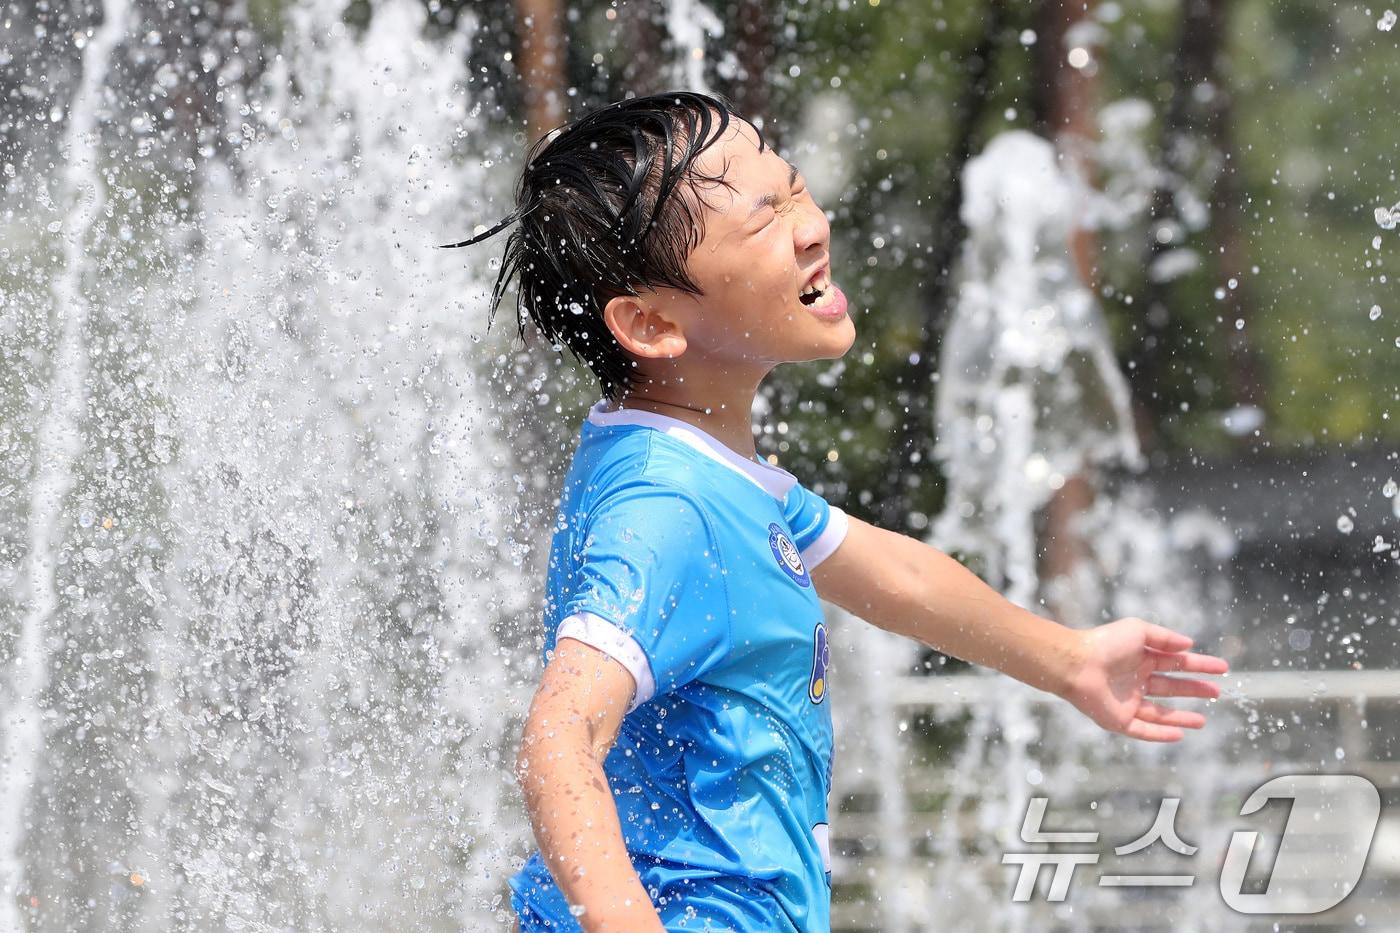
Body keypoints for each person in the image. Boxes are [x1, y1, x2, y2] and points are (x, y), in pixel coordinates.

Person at [445, 90, 1230, 933]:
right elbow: (557, 740)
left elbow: (894, 574)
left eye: (795, 188)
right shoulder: (667, 505)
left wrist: (1068, 659)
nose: (812, 224)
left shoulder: (717, 475)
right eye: (764, 217)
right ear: (651, 323)